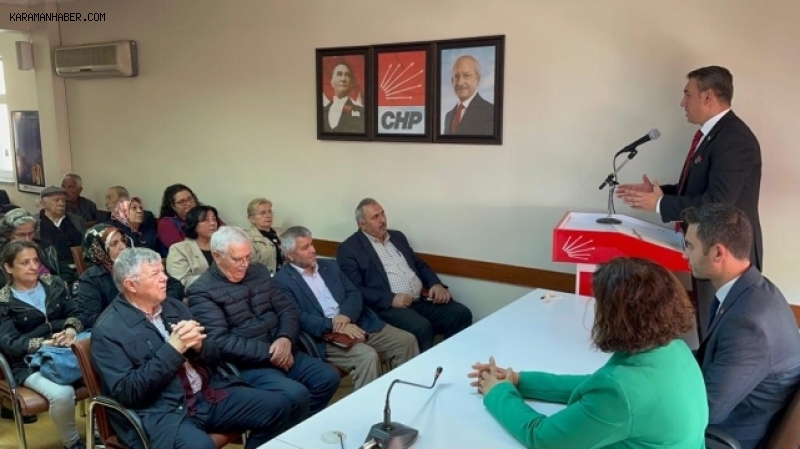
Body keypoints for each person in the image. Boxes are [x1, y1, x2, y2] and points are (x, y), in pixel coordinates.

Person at [469, 257, 708, 448]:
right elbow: (595, 385)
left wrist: (498, 392)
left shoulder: (620, 392)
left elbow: (543, 438)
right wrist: (519, 380)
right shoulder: (675, 348)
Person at [91, 248, 291, 449]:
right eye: (155, 274)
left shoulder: (173, 306)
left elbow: (214, 357)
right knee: (200, 446)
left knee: (279, 406)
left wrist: (199, 347)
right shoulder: (108, 330)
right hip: (162, 412)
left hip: (206, 393)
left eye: (163, 271)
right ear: (131, 285)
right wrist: (173, 350)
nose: (165, 278)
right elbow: (128, 392)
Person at [187, 226, 340, 427]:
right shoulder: (202, 291)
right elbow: (220, 341)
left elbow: (286, 308)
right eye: (237, 259)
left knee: (328, 378)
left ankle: (298, 427)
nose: (245, 264)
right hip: (248, 364)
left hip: (284, 348)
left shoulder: (258, 271)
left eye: (247, 257)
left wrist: (285, 338)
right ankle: (286, 431)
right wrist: (271, 353)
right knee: (296, 394)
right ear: (217, 256)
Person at [617, 66, 762, 271]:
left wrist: (660, 204)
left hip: (726, 256)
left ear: (708, 97)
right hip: (706, 248)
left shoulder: (734, 139)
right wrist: (660, 193)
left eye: (687, 95)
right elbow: (698, 188)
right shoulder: (714, 134)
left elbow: (717, 203)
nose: (682, 103)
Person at [682, 203, 800, 448]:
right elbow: (712, 356)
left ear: (718, 253)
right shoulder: (754, 290)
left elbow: (709, 409)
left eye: (690, 246)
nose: (685, 255)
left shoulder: (748, 324)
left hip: (726, 436)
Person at [274, 226, 419, 390]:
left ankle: (405, 394)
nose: (313, 250)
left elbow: (354, 293)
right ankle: (369, 405)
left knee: (406, 341)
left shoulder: (330, 266)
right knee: (367, 356)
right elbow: (298, 317)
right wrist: (335, 324)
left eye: (312, 244)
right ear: (290, 255)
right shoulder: (282, 281)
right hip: (325, 336)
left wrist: (345, 316)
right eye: (305, 247)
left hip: (356, 321)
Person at [336, 198, 473, 352]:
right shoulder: (349, 249)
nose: (382, 220)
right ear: (362, 224)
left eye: (382, 214)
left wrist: (435, 283)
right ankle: (426, 365)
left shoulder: (397, 237)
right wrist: (390, 299)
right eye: (375, 217)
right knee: (422, 327)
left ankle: (450, 357)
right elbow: (356, 289)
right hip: (388, 307)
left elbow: (419, 264)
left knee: (461, 314)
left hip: (419, 299)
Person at [0, 241, 86, 449]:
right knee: (62, 394)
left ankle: (102, 430)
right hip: (27, 363)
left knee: (108, 369)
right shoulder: (4, 301)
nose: (33, 267)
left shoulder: (54, 283)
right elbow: (10, 343)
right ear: (8, 268)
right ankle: (72, 443)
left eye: (36, 261)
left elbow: (76, 312)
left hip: (66, 351)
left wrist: (70, 330)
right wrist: (45, 343)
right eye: (24, 263)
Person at [76, 223, 184, 328]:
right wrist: (136, 313)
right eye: (114, 244)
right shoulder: (90, 279)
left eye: (123, 240)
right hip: (122, 329)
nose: (123, 247)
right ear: (98, 249)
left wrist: (158, 303)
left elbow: (175, 285)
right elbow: (91, 318)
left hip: (155, 317)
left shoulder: (137, 264)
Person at [37, 186, 84, 284]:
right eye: (56, 200)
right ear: (43, 204)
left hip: (78, 268)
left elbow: (85, 243)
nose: (61, 203)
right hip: (51, 272)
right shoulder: (36, 223)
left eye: (63, 200)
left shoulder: (76, 220)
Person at [157, 184, 225, 249]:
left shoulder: (207, 214)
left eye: (190, 199)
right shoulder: (165, 223)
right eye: (182, 201)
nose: (188, 204)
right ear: (173, 206)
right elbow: (181, 248)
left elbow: (225, 234)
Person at [166, 205, 220, 288]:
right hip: (196, 294)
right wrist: (217, 278)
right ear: (194, 224)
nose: (212, 223)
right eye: (206, 220)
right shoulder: (178, 249)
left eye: (214, 219)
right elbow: (182, 281)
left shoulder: (222, 245)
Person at [444, 55, 494, 135]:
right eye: (456, 76)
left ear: (478, 79)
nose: (460, 83)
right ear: (452, 81)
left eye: (466, 75)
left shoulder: (491, 112)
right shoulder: (448, 116)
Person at [322, 61, 365, 133]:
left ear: (351, 84)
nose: (343, 79)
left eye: (347, 75)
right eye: (339, 74)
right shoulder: (322, 112)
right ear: (332, 82)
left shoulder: (361, 112)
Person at [246, 198, 283, 275]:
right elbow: (250, 267)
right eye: (263, 213)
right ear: (252, 219)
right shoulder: (248, 239)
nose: (268, 215)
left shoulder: (280, 233)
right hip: (263, 279)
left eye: (270, 212)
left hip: (283, 276)